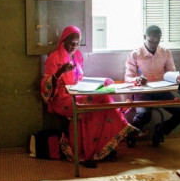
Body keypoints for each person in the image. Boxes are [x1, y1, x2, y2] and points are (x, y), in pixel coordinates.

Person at [41, 26, 144, 168]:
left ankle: (97, 150)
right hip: (62, 99)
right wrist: (60, 72)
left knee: (106, 87)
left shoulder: (77, 56)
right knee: (98, 102)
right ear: (64, 41)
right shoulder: (54, 58)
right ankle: (121, 123)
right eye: (71, 43)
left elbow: (80, 79)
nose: (74, 46)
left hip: (77, 93)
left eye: (77, 44)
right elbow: (46, 86)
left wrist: (92, 85)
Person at [124, 25, 180, 147]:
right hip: (142, 91)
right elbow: (127, 77)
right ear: (144, 37)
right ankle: (131, 134)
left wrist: (177, 78)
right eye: (150, 41)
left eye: (156, 42)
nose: (153, 44)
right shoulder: (136, 54)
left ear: (160, 39)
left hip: (161, 91)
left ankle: (160, 130)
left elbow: (171, 73)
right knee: (144, 116)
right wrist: (137, 79)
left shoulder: (165, 52)